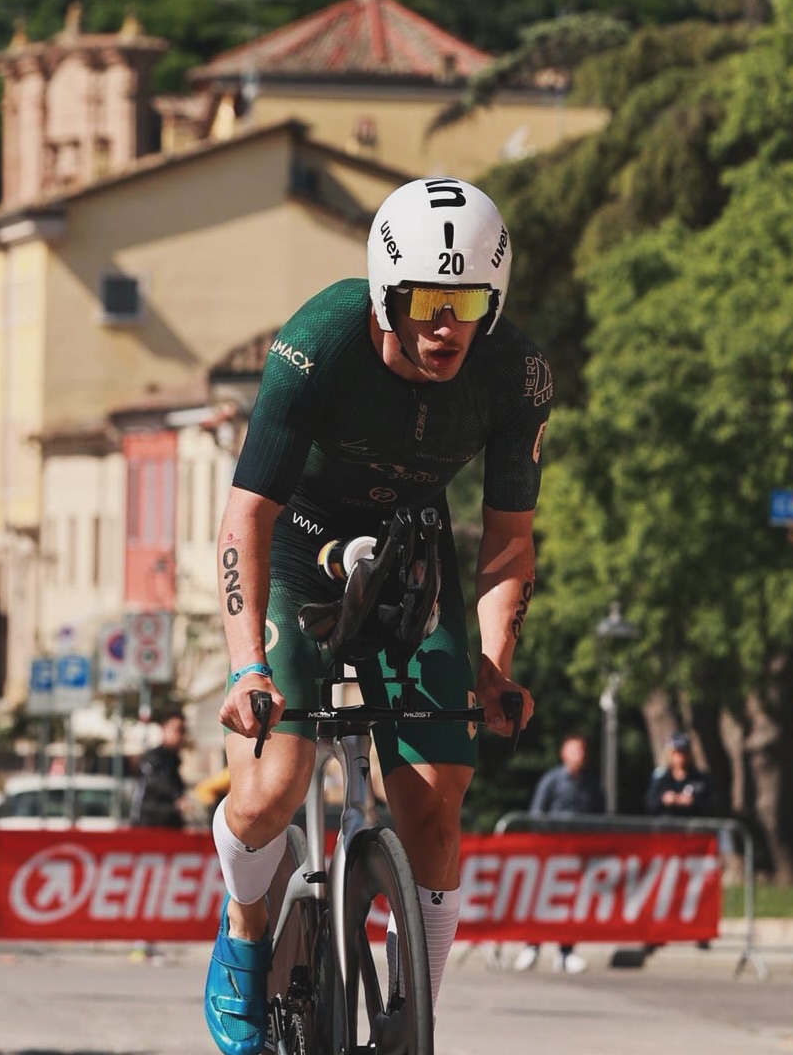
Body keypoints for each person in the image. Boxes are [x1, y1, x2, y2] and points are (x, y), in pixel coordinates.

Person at [206, 177, 550, 1055]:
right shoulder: (318, 341)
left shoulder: (517, 373)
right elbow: (247, 514)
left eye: (467, 304)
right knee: (273, 788)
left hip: (409, 547)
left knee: (439, 806)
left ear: (493, 302)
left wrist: (494, 666)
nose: (446, 326)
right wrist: (248, 667)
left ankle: (413, 1020)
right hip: (298, 546)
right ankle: (245, 936)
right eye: (427, 303)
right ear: (385, 293)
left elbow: (509, 539)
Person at [514, 733, 603, 974]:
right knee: (542, 901)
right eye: (574, 751)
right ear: (564, 754)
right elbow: (537, 813)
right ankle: (531, 946)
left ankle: (566, 952)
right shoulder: (552, 780)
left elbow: (599, 816)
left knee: (571, 903)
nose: (579, 756)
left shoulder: (592, 783)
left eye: (582, 751)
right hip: (552, 852)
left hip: (579, 853)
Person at [131, 709, 188, 829]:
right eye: (176, 730)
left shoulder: (174, 761)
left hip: (169, 827)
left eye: (182, 731)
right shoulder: (154, 757)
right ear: (164, 729)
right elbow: (157, 783)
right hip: (149, 827)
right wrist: (177, 798)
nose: (179, 736)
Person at [645, 732, 714, 817]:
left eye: (683, 753)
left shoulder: (700, 778)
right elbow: (650, 803)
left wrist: (693, 801)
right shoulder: (661, 777)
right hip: (666, 826)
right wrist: (664, 799)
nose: (680, 757)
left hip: (693, 827)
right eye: (676, 753)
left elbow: (712, 804)